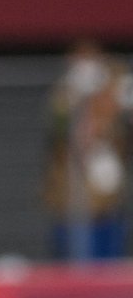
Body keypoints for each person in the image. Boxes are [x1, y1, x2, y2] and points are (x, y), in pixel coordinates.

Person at [44, 39, 130, 260]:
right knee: (73, 269)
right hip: (71, 208)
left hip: (107, 209)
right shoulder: (64, 94)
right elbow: (60, 129)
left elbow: (118, 126)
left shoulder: (114, 90)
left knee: (108, 268)